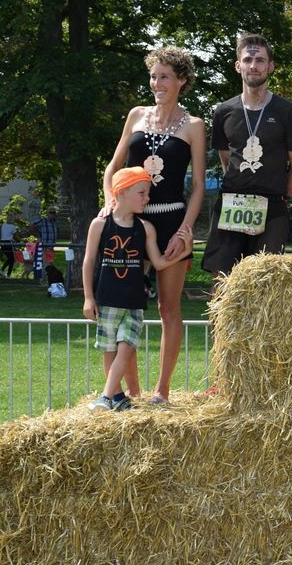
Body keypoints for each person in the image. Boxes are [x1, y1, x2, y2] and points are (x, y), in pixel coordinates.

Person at [103, 46, 206, 404]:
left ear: (182, 81)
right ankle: (128, 391)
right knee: (126, 304)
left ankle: (161, 391)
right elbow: (112, 168)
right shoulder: (135, 115)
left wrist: (185, 230)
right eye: (153, 76)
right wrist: (109, 203)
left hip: (172, 222)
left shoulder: (194, 126)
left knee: (168, 308)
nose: (156, 83)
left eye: (164, 76)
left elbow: (197, 187)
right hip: (130, 222)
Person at [83, 168, 192, 412]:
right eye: (142, 193)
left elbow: (160, 263)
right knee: (109, 349)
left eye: (147, 194)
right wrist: (89, 297)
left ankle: (104, 396)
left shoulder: (146, 229)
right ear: (120, 192)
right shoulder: (99, 225)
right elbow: (89, 261)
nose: (147, 199)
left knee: (128, 345)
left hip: (134, 301)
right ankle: (118, 396)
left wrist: (184, 251)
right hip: (107, 299)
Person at [202, 33, 292, 276]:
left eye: (260, 60)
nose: (254, 65)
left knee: (262, 285)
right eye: (248, 59)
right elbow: (226, 159)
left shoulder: (288, 112)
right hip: (232, 204)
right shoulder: (223, 111)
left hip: (271, 207)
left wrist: (279, 195)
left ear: (270, 66)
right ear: (238, 65)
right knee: (223, 283)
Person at [29, 207, 57, 282]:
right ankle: (42, 280)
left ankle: (47, 279)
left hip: (51, 247)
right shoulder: (43, 220)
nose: (52, 214)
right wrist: (38, 235)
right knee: (45, 264)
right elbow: (31, 226)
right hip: (43, 247)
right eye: (51, 212)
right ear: (47, 214)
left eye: (54, 213)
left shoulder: (54, 223)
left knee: (49, 263)